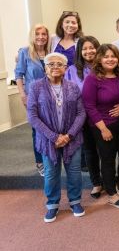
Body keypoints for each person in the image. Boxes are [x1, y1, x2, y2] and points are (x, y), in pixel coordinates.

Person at [27, 52, 86, 223]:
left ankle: (75, 202)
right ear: (45, 68)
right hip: (47, 140)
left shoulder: (73, 87)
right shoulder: (36, 87)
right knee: (52, 173)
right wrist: (54, 137)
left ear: (65, 68)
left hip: (72, 139)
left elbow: (81, 113)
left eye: (59, 64)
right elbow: (32, 116)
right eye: (51, 64)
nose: (55, 67)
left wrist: (69, 135)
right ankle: (52, 204)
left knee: (74, 172)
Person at [82, 44, 119, 209]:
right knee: (108, 159)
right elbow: (89, 106)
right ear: (99, 58)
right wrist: (103, 129)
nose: (110, 59)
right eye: (106, 56)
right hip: (102, 125)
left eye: (113, 56)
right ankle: (112, 193)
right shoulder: (93, 78)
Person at [64, 36, 103, 198]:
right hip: (83, 119)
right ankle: (97, 183)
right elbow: (68, 96)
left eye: (92, 47)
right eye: (85, 48)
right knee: (90, 151)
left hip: (103, 117)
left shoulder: (105, 66)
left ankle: (109, 180)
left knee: (106, 151)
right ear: (80, 52)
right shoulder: (71, 71)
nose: (89, 51)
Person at [15, 24, 50, 176]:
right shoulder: (24, 52)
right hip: (33, 97)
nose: (41, 37)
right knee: (37, 130)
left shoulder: (51, 52)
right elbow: (18, 74)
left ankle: (50, 159)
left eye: (44, 34)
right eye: (37, 34)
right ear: (32, 36)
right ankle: (40, 162)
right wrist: (23, 94)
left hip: (51, 97)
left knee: (51, 127)